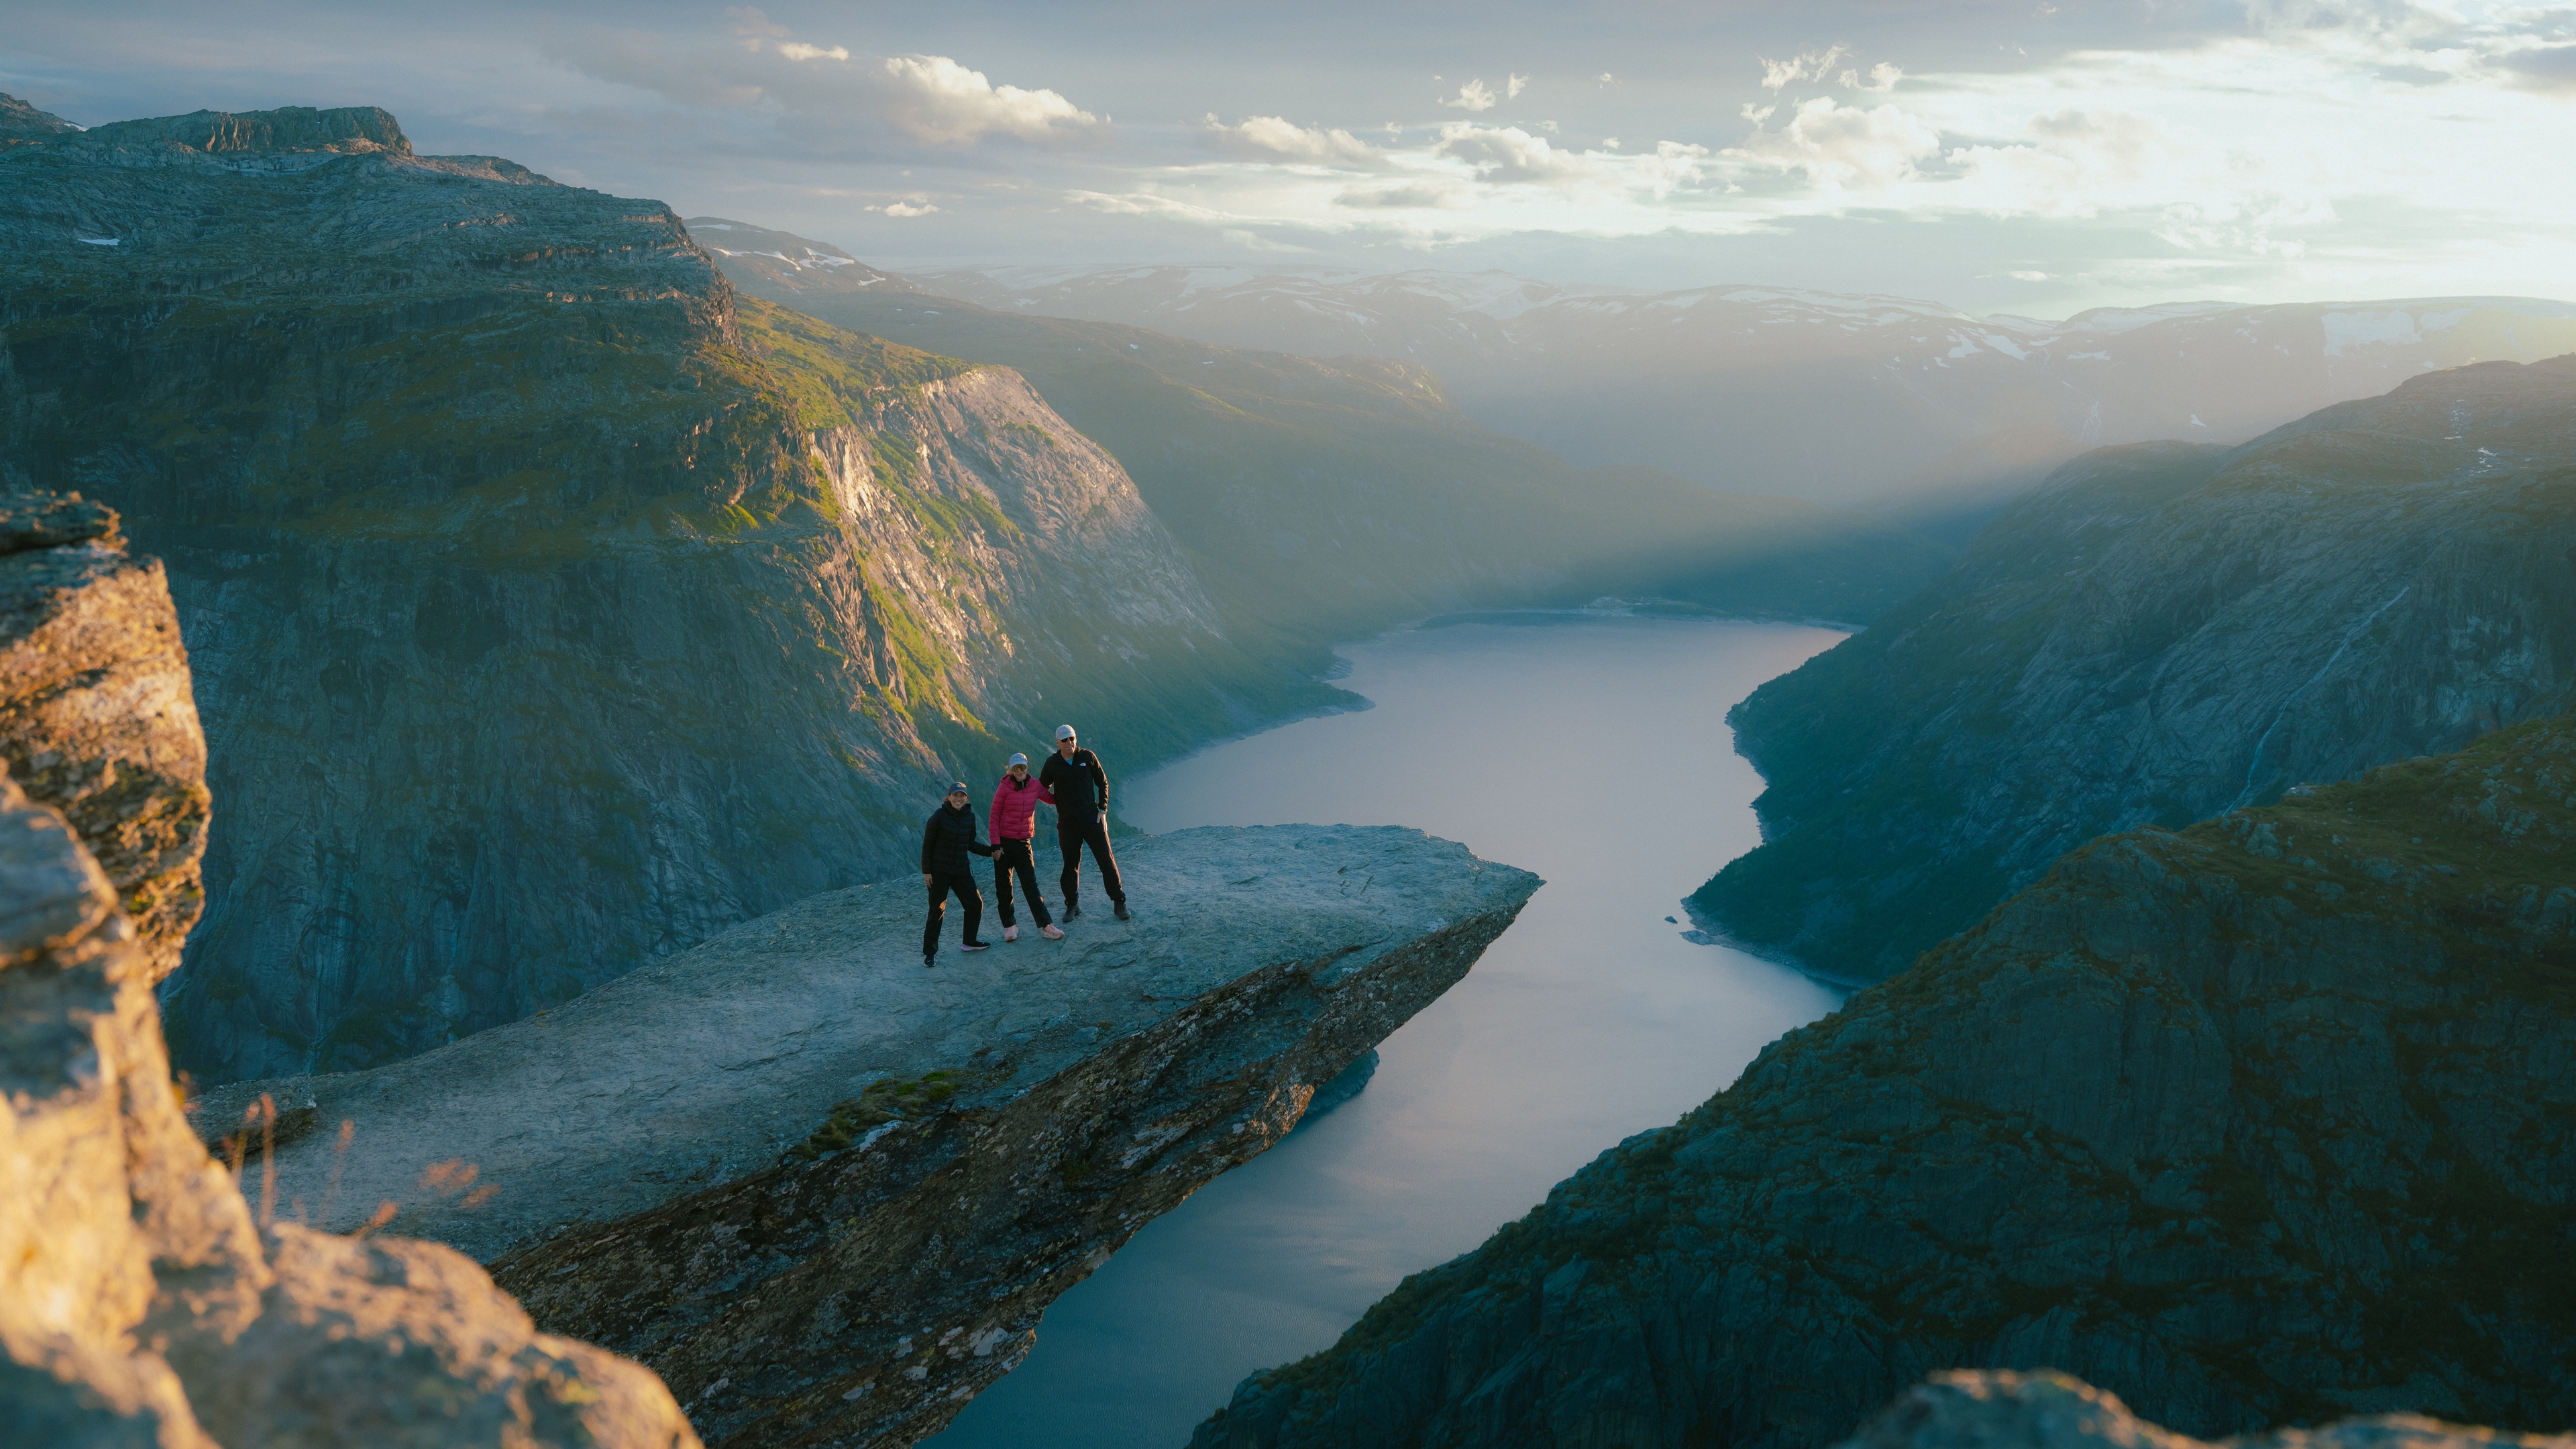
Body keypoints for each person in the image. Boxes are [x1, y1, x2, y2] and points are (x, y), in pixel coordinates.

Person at [1038, 724, 1129, 920]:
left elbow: (1102, 782)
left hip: (1091, 818)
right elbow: (1041, 788)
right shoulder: (1052, 763)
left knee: (1106, 861)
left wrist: (1102, 810)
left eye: (1072, 738)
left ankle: (1119, 902)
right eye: (1065, 740)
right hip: (1068, 823)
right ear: (1057, 743)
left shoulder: (1087, 757)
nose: (1069, 743)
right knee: (1070, 866)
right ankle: (1072, 905)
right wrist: (1056, 800)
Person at [987, 753, 1066, 942]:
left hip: (1023, 842)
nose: (1020, 771)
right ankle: (1010, 926)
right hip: (1004, 844)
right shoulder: (1004, 788)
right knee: (1004, 887)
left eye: (1022, 767)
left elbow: (1052, 799)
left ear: (1027, 767)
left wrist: (1068, 786)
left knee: (1031, 886)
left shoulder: (1035, 786)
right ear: (1011, 770)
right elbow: (994, 817)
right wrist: (996, 845)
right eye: (1016, 768)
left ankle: (1046, 926)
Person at [920, 782, 998, 967]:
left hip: (961, 870)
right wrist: (927, 872)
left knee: (975, 904)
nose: (958, 798)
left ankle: (969, 942)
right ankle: (930, 954)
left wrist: (991, 852)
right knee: (937, 910)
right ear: (948, 797)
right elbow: (927, 844)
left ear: (966, 798)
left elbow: (971, 844)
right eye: (955, 795)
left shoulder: (969, 818)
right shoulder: (938, 817)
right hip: (940, 871)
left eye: (962, 795)